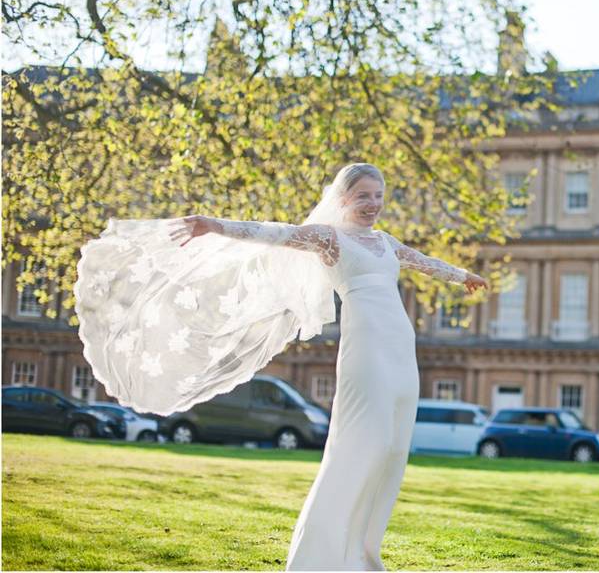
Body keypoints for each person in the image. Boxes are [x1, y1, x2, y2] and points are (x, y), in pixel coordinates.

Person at [75, 163, 487, 570]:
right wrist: (213, 225)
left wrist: (462, 275)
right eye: (363, 196)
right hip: (367, 349)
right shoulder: (329, 239)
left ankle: (363, 553)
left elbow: (423, 261)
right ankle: (320, 557)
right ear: (342, 198)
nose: (372, 204)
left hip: (401, 347)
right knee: (367, 444)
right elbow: (273, 233)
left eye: (378, 196)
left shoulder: (386, 241)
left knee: (394, 450)